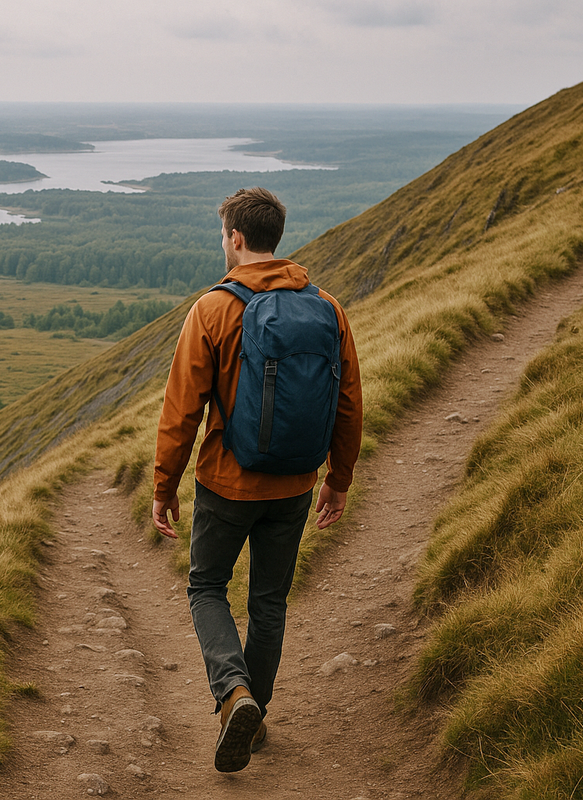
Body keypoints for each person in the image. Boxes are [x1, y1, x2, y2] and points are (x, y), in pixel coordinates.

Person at [152, 187, 363, 773]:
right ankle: (255, 714)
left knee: (207, 587)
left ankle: (233, 695)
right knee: (269, 601)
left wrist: (164, 487)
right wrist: (338, 477)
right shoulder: (327, 307)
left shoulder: (213, 309)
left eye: (223, 235)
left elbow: (181, 412)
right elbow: (348, 402)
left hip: (226, 482)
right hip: (295, 484)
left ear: (236, 238)